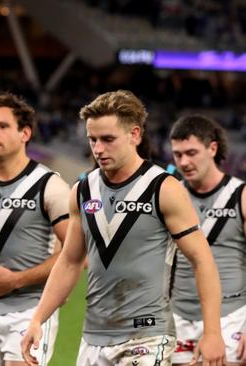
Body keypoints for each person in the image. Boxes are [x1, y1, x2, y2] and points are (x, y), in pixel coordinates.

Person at [20, 90, 226, 366]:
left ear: (135, 135)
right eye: (93, 140)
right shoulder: (82, 190)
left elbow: (202, 260)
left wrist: (212, 332)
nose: (98, 149)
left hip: (147, 335)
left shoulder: (163, 188)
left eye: (108, 139)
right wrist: (37, 319)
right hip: (93, 337)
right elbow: (69, 261)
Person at [0, 93, 68, 366]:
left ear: (25, 133)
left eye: (3, 126)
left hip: (29, 311)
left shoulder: (49, 185)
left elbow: (76, 256)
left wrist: (18, 279)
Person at [169, 115, 246, 366]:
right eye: (178, 154)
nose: (184, 162)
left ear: (212, 148)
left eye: (191, 152)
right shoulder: (171, 196)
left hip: (231, 317)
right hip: (179, 317)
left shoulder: (240, 195)